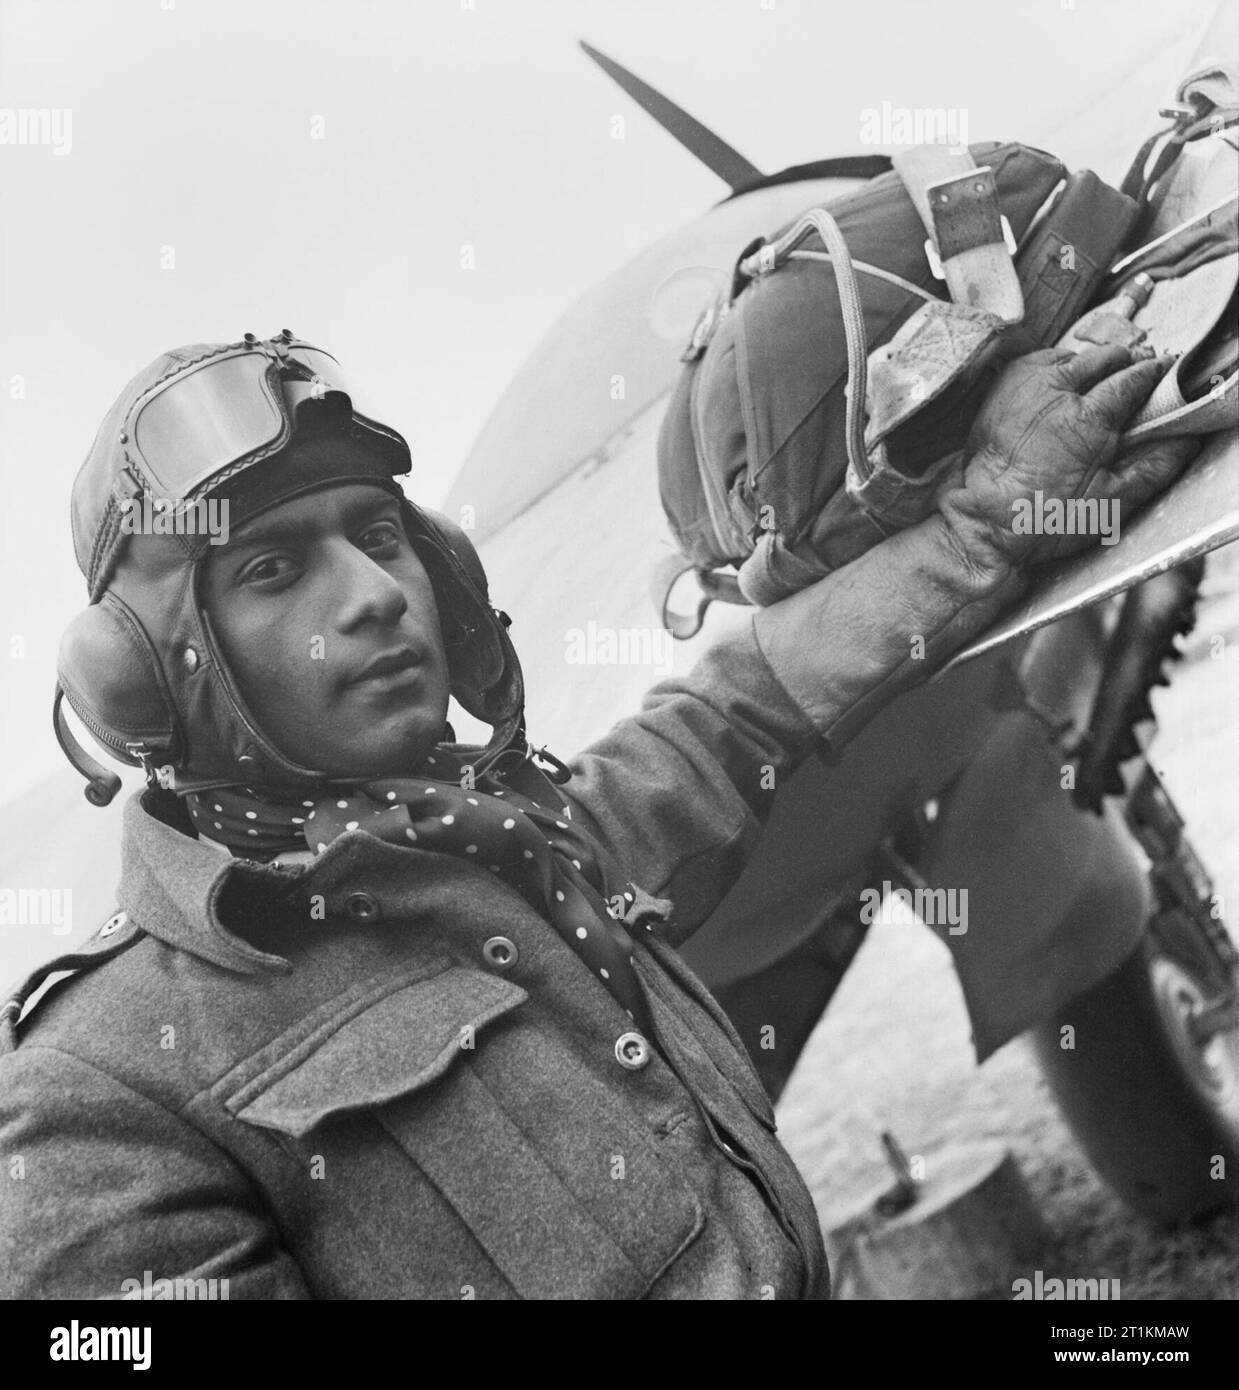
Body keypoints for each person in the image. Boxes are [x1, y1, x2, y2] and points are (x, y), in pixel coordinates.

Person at [0, 331, 1193, 1299]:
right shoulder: (99, 1097)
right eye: (271, 569)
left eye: (377, 537)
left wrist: (987, 522)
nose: (370, 596)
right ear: (154, 678)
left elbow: (743, 708)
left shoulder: (520, 843)